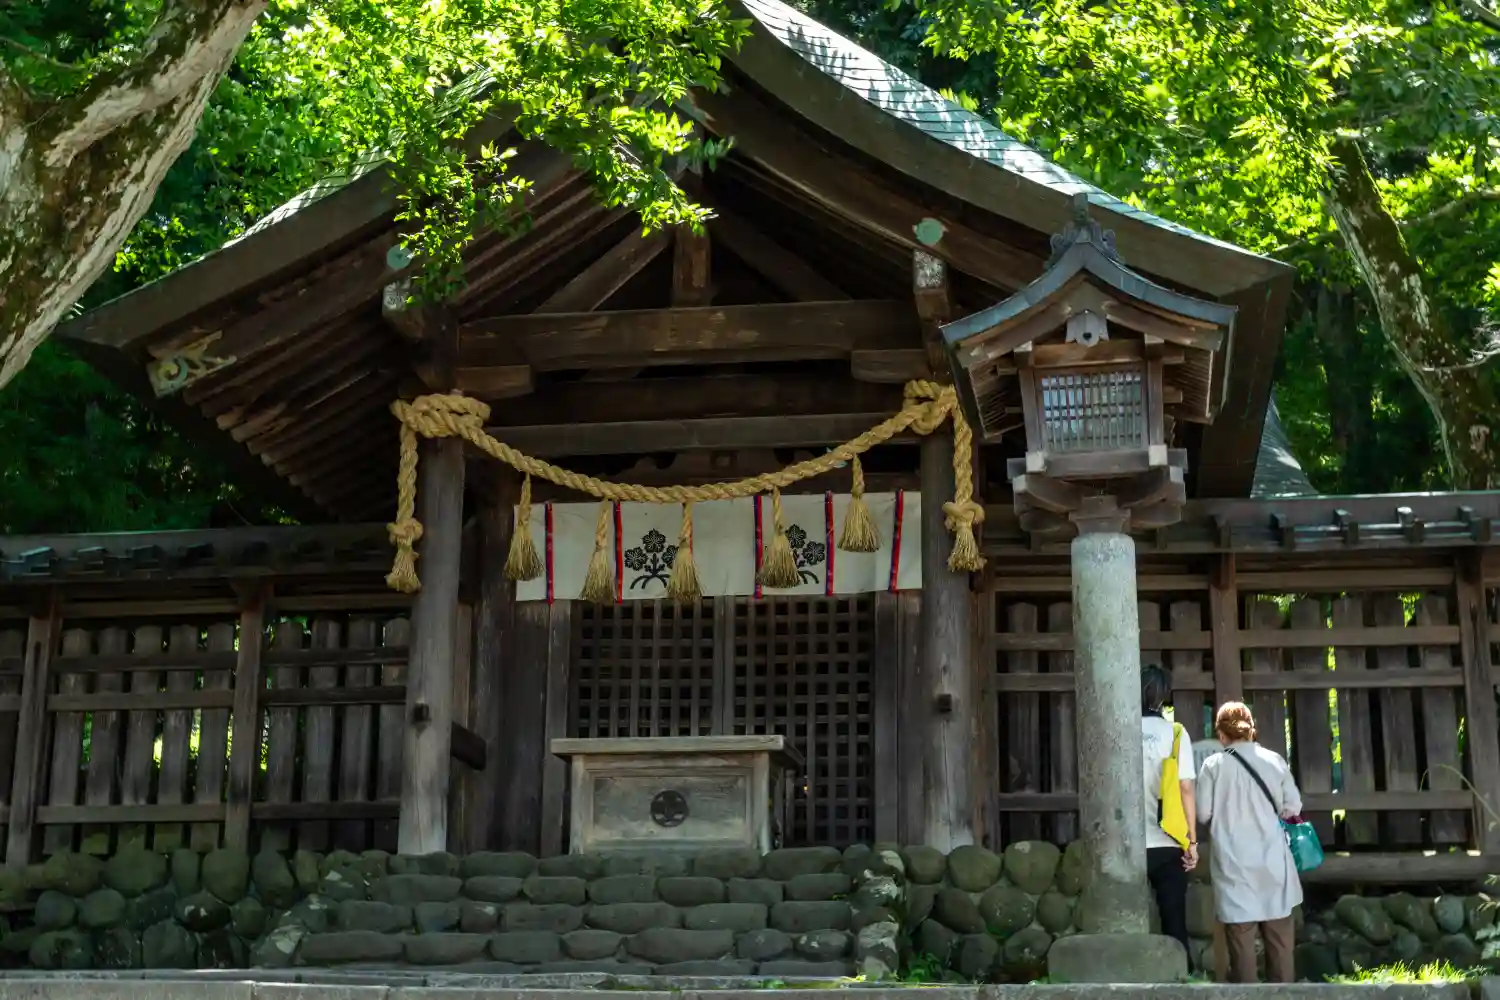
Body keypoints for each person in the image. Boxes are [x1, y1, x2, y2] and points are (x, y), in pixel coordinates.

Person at [1195, 701, 1304, 984]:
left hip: (1233, 862)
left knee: (1241, 943)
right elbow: (1293, 807)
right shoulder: (1274, 760)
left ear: (1221, 735)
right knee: (1280, 941)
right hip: (1272, 860)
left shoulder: (1213, 766)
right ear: (1251, 729)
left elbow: (1203, 813)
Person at [1140, 663, 1196, 956]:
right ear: (1164, 696)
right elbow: (1185, 788)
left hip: (1126, 843)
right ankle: (1182, 974)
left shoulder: (1119, 732)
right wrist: (1192, 842)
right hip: (1167, 840)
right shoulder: (1175, 734)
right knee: (1174, 924)